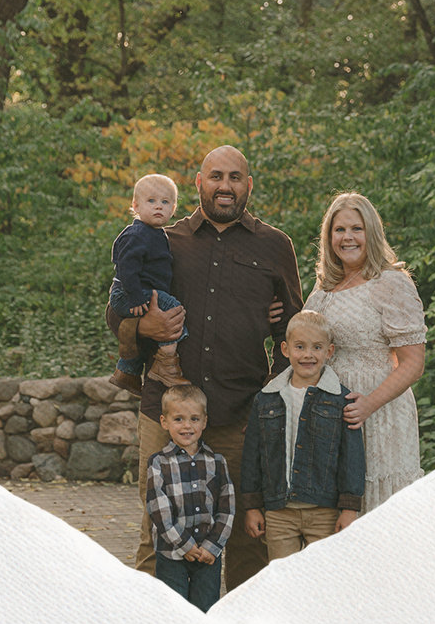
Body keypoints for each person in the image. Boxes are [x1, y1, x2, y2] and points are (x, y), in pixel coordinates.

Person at [110, 144, 302, 590]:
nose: (225, 186)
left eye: (235, 177)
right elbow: (117, 310)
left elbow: (292, 332)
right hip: (167, 407)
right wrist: (146, 327)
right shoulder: (163, 239)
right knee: (157, 531)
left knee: (246, 534)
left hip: (240, 414)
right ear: (198, 183)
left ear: (248, 185)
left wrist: (272, 395)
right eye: (215, 176)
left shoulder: (275, 246)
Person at [306, 192, 427, 512]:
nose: (347, 237)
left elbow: (413, 363)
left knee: (377, 508)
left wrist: (368, 404)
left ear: (371, 232)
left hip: (379, 409)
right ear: (328, 236)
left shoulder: (390, 282)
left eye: (356, 229)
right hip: (332, 410)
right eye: (339, 230)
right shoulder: (325, 287)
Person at [238, 309, 365, 560]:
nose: (308, 354)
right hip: (279, 512)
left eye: (317, 347)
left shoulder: (342, 400)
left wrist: (349, 509)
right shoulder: (266, 399)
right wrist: (252, 506)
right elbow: (252, 456)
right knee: (283, 581)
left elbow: (352, 457)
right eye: (300, 347)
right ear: (285, 349)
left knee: (322, 580)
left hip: (324, 511)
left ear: (329, 352)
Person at [144, 383, 235, 613]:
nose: (187, 426)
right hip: (171, 553)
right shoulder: (158, 463)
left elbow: (227, 509)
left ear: (204, 422)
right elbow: (159, 510)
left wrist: (213, 546)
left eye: (194, 419)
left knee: (205, 610)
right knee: (174, 612)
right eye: (179, 419)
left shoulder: (216, 461)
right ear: (164, 422)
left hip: (207, 555)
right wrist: (185, 545)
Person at [110, 173, 188, 394]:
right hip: (130, 292)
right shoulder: (137, 234)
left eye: (165, 202)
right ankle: (166, 363)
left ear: (173, 208)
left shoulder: (157, 234)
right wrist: (135, 297)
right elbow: (125, 267)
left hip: (142, 291)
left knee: (145, 335)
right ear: (135, 205)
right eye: (151, 201)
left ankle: (127, 372)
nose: (158, 207)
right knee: (174, 310)